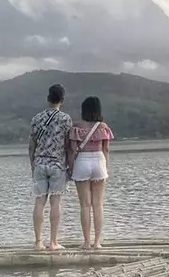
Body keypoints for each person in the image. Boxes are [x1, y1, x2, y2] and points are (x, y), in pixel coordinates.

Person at [28, 83, 73, 251]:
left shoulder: (36, 118)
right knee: (56, 203)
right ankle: (53, 242)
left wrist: (33, 165)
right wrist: (70, 166)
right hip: (57, 165)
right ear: (62, 100)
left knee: (39, 202)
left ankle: (38, 242)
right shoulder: (65, 119)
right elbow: (68, 145)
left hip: (40, 163)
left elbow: (31, 145)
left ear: (48, 98)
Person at [69, 96, 114, 249]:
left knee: (85, 205)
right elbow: (106, 149)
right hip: (99, 161)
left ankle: (86, 242)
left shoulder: (76, 127)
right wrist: (106, 166)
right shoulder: (103, 127)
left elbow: (72, 150)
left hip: (82, 161)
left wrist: (71, 167)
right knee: (98, 205)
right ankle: (97, 242)